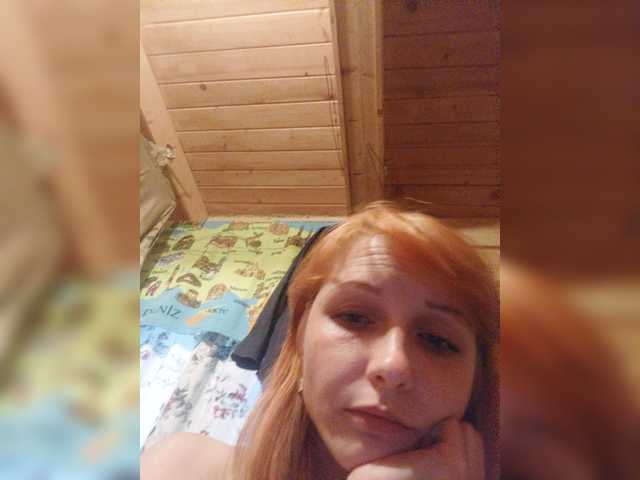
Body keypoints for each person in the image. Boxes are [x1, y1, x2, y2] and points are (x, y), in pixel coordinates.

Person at [141, 201, 499, 480]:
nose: (392, 366)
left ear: (475, 381)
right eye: (354, 317)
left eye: (437, 340)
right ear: (298, 342)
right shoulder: (179, 468)